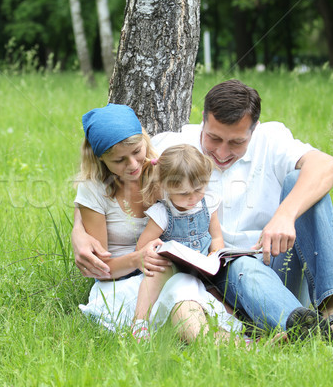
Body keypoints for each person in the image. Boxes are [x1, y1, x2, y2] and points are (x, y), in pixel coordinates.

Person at [73, 80, 333, 341]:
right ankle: (301, 329)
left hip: (275, 261)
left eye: (236, 142)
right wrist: (79, 231)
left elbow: (328, 166)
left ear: (254, 130)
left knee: (304, 182)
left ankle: (331, 313)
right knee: (243, 265)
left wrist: (285, 214)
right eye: (213, 139)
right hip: (224, 275)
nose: (222, 153)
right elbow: (102, 184)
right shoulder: (172, 147)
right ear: (202, 123)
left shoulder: (272, 140)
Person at [74, 103, 242, 343]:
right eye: (119, 160)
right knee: (177, 291)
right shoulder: (94, 191)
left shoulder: (163, 170)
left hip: (173, 273)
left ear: (144, 139)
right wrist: (137, 259)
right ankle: (235, 347)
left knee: (183, 289)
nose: (132, 165)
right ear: (100, 159)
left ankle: (237, 345)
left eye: (136, 152)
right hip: (122, 283)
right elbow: (101, 269)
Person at [132, 144, 227, 340]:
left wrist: (215, 255)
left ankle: (236, 329)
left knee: (221, 292)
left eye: (198, 189)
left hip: (201, 267)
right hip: (172, 268)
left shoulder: (208, 203)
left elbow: (216, 237)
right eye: (184, 194)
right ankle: (140, 323)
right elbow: (141, 247)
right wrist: (155, 247)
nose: (193, 198)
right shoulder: (163, 213)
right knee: (156, 274)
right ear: (166, 187)